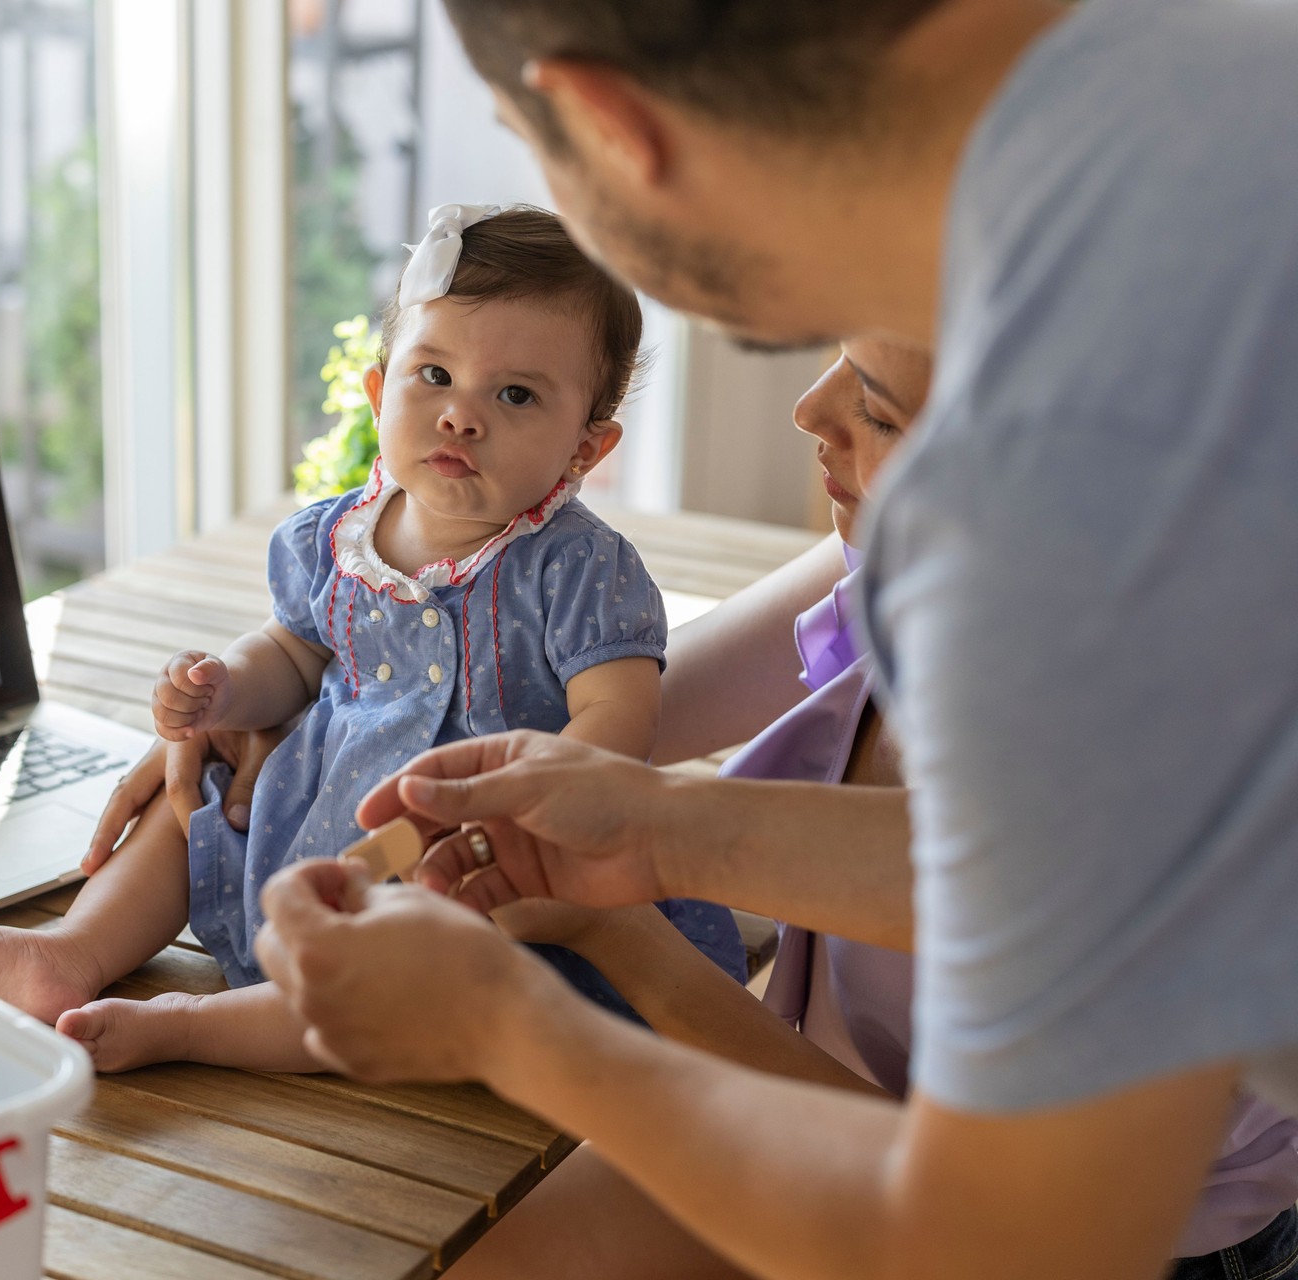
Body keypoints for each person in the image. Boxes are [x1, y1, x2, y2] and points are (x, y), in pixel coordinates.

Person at [251, 2, 1298, 1277]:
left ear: (609, 129)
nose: (822, 413)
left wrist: (512, 1029)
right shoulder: (1205, 99)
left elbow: (999, 1247)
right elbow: (1104, 860)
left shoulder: (1071, 476)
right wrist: (641, 823)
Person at [0, 206, 743, 1071]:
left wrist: (526, 812)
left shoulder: (578, 568)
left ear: (587, 447)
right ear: (379, 390)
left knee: (415, 981)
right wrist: (225, 686)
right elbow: (294, 652)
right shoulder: (340, 536)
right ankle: (73, 950)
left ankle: (194, 1029)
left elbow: (617, 717)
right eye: (435, 374)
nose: (462, 416)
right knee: (192, 794)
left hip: (472, 860)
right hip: (310, 810)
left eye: (515, 394)